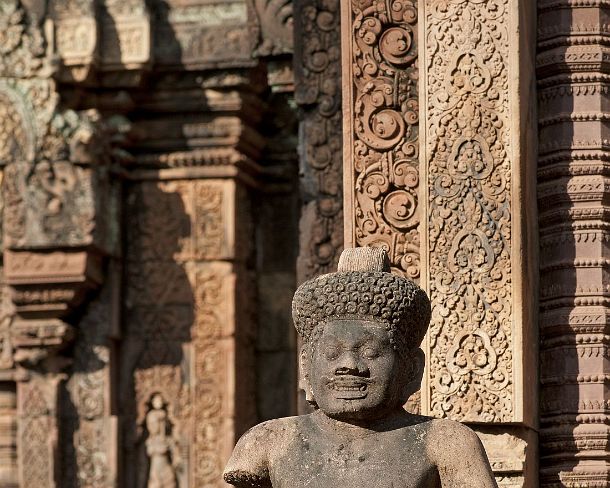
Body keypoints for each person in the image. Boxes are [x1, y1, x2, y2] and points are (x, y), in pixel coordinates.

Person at [224, 247, 498, 487]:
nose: (348, 366)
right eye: (331, 353)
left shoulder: (446, 443)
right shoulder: (267, 443)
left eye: (370, 352)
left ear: (412, 369)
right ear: (305, 365)